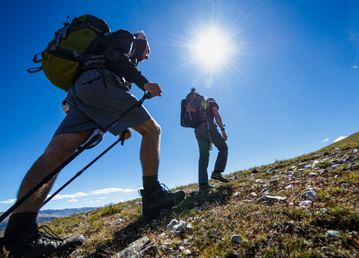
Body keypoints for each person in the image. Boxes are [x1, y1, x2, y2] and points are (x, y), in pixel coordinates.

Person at [1, 28, 185, 257]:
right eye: (148, 50)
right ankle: (153, 197)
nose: (147, 56)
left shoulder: (105, 50)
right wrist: (144, 82)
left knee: (55, 154)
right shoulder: (127, 37)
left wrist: (119, 127)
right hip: (101, 81)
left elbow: (108, 90)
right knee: (153, 131)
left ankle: (20, 237)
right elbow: (113, 57)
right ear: (141, 41)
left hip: (81, 90)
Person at [194, 94, 229, 191]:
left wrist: (208, 140)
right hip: (208, 126)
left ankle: (203, 185)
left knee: (203, 156)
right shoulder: (212, 101)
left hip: (197, 130)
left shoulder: (198, 105)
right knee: (223, 148)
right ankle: (217, 172)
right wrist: (222, 130)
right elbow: (216, 114)